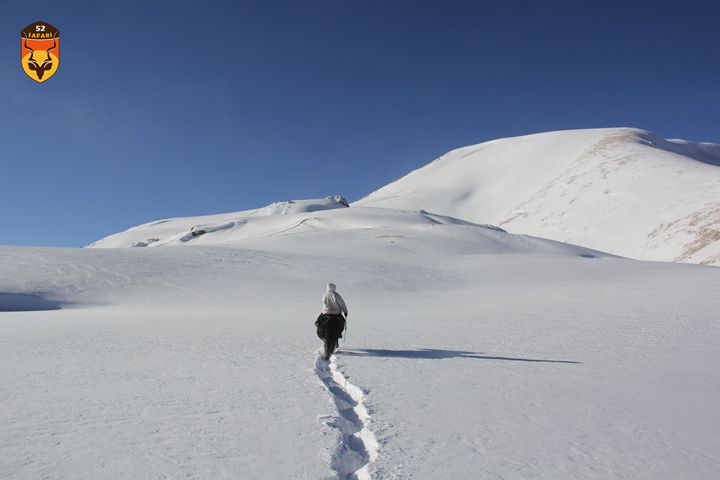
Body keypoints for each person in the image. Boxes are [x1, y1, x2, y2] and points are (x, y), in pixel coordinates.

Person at [315, 283, 348, 360]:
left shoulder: (324, 295)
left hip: (325, 314)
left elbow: (324, 305)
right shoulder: (336, 295)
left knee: (318, 323)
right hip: (336, 314)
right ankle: (338, 334)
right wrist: (345, 311)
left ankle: (323, 336)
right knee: (342, 323)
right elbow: (342, 304)